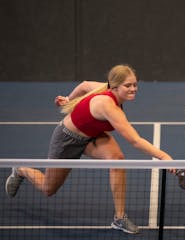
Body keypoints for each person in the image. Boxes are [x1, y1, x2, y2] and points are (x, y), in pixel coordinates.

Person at [5, 64, 174, 234]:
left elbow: (85, 85)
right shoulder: (108, 106)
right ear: (114, 86)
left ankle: (120, 218)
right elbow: (135, 141)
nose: (133, 89)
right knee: (48, 189)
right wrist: (164, 157)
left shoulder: (105, 88)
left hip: (92, 136)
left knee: (117, 160)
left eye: (135, 84)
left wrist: (68, 99)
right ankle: (21, 170)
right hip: (67, 140)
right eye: (128, 85)